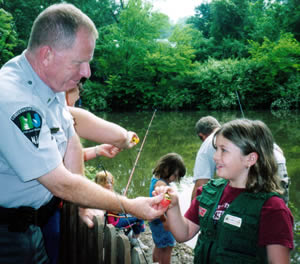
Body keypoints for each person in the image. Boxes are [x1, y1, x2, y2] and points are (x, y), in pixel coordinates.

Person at [0, 3, 166, 263]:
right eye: (80, 62)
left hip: (32, 223)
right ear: (47, 55)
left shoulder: (47, 81)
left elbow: (70, 131)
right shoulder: (13, 99)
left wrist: (119, 136)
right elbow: (60, 182)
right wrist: (129, 205)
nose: (87, 72)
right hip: (8, 235)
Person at [153, 119, 294, 263]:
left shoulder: (273, 209)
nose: (215, 157)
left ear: (250, 159)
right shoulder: (207, 192)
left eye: (224, 150)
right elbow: (184, 233)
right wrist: (173, 205)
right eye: (216, 149)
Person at [95, 170, 149, 250]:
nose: (110, 184)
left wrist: (121, 201)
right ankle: (135, 239)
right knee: (139, 217)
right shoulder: (107, 196)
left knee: (132, 215)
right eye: (107, 182)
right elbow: (117, 210)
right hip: (114, 221)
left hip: (114, 218)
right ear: (101, 183)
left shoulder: (100, 193)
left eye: (111, 182)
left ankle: (131, 234)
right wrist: (123, 204)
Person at [149, 153, 186, 264]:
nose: (175, 179)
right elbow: (161, 202)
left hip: (155, 220)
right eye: (174, 175)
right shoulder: (161, 185)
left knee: (159, 246)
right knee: (168, 247)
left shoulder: (155, 179)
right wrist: (165, 220)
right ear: (166, 169)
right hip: (162, 222)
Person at [191, 116, 220, 201]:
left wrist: (190, 213)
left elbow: (201, 185)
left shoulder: (206, 147)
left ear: (202, 136)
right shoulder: (233, 134)